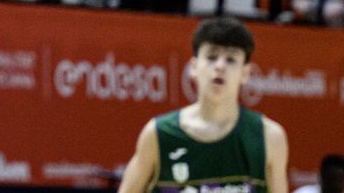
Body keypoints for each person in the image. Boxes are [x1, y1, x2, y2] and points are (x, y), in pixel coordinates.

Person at [114, 17, 288, 193]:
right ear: (194, 67)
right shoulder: (158, 133)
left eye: (231, 60)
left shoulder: (269, 137)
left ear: (245, 73)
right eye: (212, 57)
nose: (220, 66)